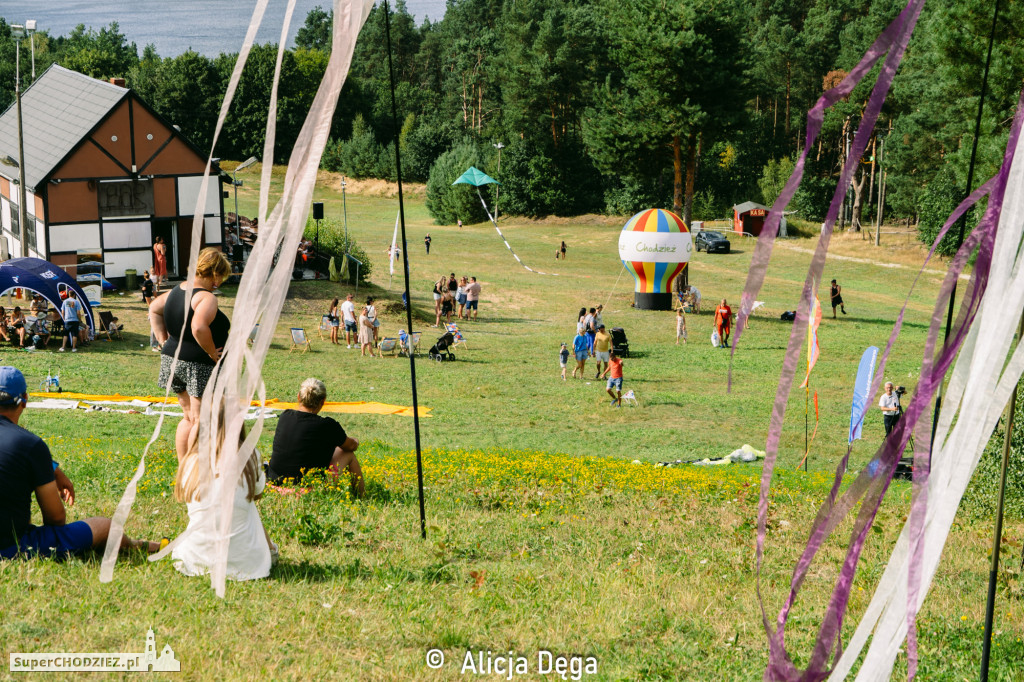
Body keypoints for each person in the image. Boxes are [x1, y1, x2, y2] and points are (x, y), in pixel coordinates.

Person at [0, 367, 161, 560]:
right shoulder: (31, 445)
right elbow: (56, 519)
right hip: (10, 547)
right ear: (25, 400)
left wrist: (52, 468)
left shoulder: (27, 445)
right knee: (105, 526)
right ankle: (135, 546)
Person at [171, 411, 275, 581]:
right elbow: (257, 495)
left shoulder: (190, 461)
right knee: (246, 505)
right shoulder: (251, 455)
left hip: (195, 558)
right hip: (248, 564)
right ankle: (269, 550)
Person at [150, 248, 233, 461]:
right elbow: (198, 327)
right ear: (213, 272)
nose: (220, 282)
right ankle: (196, 469)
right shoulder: (205, 297)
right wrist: (212, 352)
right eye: (220, 276)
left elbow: (154, 310)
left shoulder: (177, 290)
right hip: (197, 364)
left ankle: (183, 467)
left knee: (187, 416)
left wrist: (162, 341)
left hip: (172, 359)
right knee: (200, 419)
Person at [267, 378, 364, 497]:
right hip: (308, 491)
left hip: (273, 486)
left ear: (298, 397)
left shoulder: (285, 416)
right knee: (347, 453)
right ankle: (361, 497)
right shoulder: (328, 426)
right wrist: (356, 441)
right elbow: (351, 446)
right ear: (323, 401)